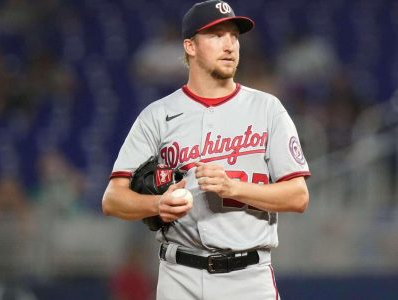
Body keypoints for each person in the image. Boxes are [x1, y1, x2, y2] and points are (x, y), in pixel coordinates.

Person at [102, 1, 310, 299]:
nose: (230, 45)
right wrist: (156, 205)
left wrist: (234, 187)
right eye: (216, 35)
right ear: (190, 46)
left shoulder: (267, 109)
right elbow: (112, 199)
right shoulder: (157, 115)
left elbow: (298, 196)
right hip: (179, 275)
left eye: (234, 36)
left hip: (248, 276)